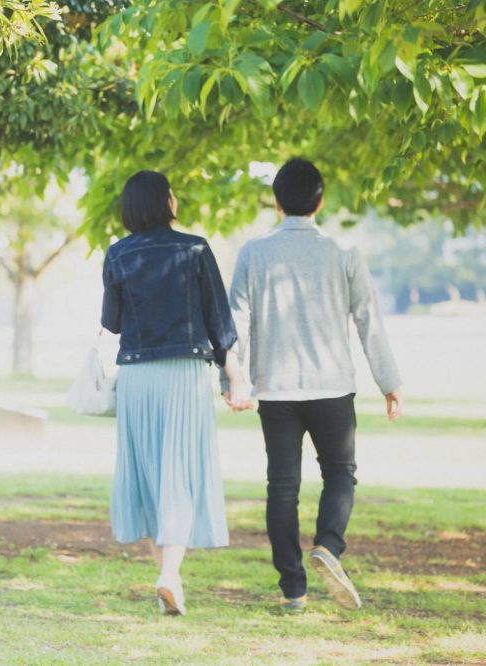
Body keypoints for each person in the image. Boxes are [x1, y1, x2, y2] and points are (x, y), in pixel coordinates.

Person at [222, 158, 403, 612]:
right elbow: (368, 320)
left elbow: (235, 322)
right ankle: (328, 546)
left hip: (277, 391)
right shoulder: (343, 250)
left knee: (282, 486)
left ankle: (294, 591)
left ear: (277, 203)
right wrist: (389, 381)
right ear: (320, 201)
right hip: (331, 387)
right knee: (340, 474)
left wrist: (234, 379)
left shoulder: (254, 252)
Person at [101, 170, 252, 616]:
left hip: (136, 378)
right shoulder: (195, 248)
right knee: (180, 473)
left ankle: (172, 581)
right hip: (183, 374)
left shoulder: (117, 254)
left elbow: (112, 322)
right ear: (166, 202)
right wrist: (235, 376)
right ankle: (169, 575)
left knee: (150, 477)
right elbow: (219, 321)